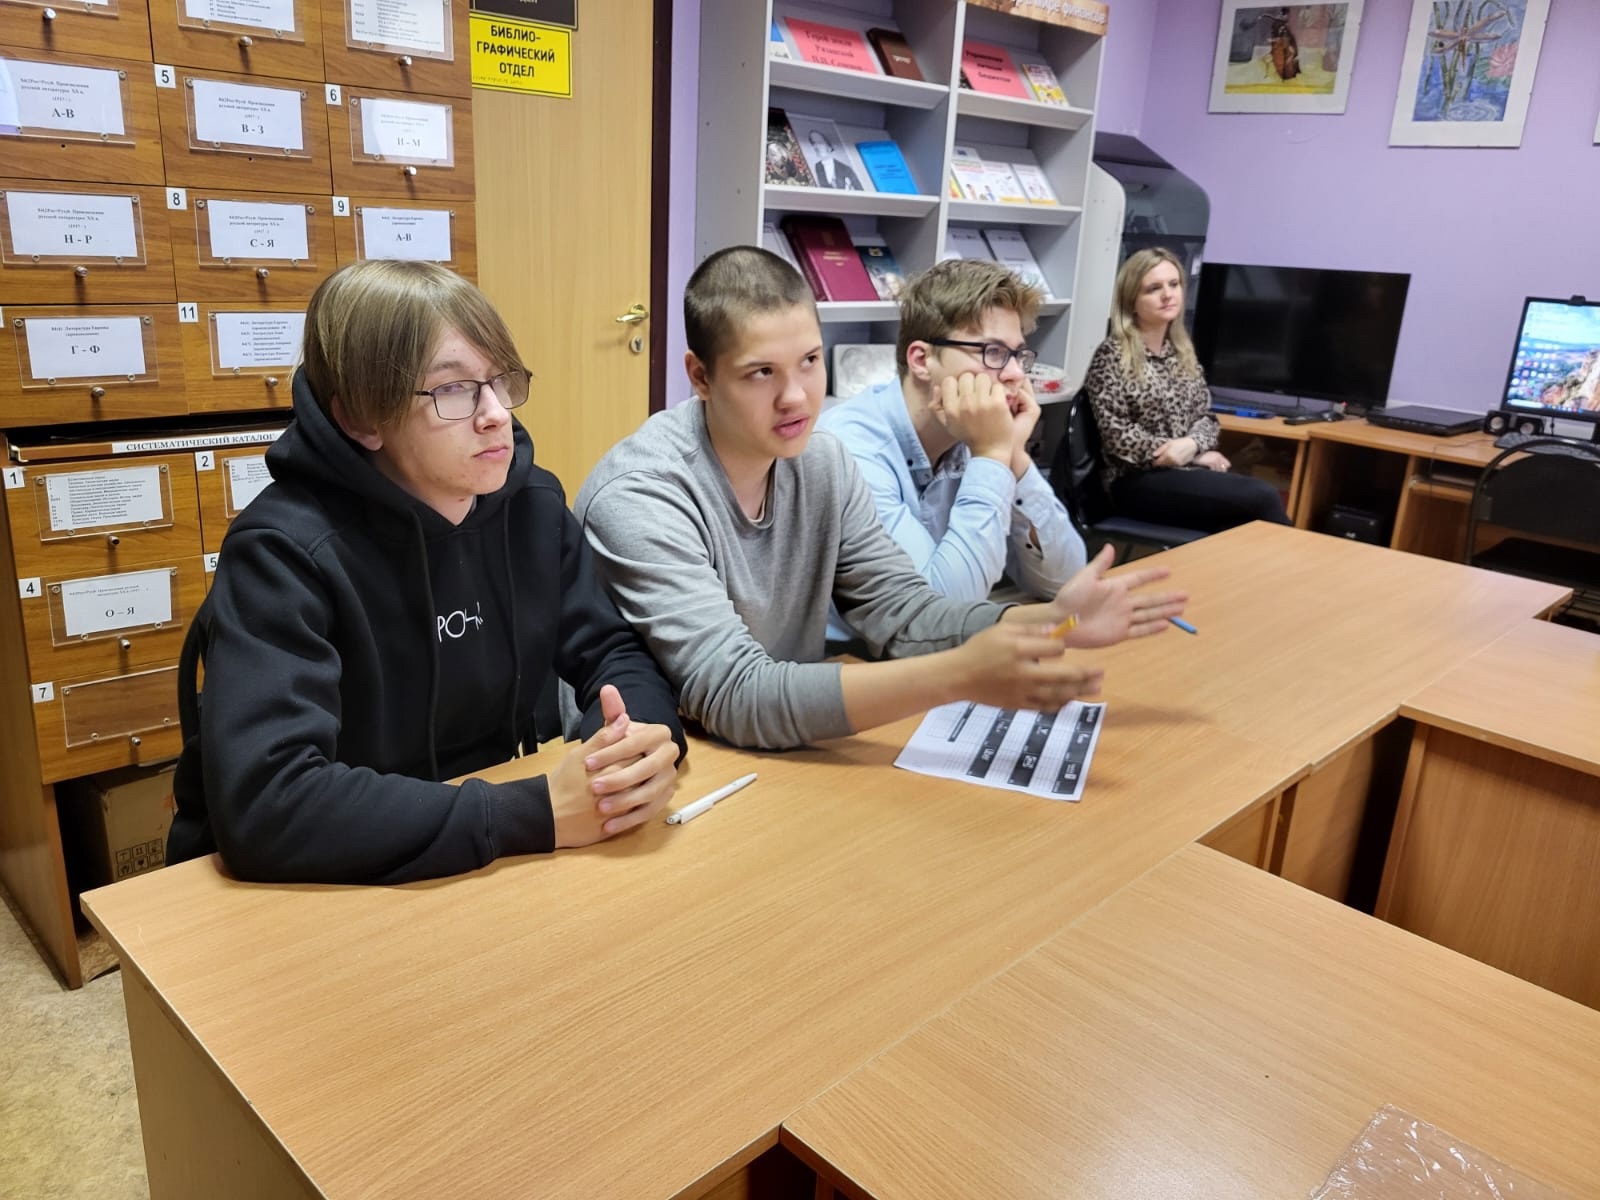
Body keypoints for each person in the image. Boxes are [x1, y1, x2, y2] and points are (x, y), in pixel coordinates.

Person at [168, 261, 684, 885]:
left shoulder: (532, 505)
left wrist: (634, 747)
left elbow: (612, 651)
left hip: (473, 857)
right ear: (361, 418)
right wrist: (534, 811)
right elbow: (269, 804)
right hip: (315, 882)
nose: (496, 414)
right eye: (454, 390)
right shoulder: (281, 553)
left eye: (499, 379)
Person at [574, 246, 1186, 752]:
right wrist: (959, 674)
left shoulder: (820, 460)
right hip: (665, 766)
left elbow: (905, 613)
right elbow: (736, 694)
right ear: (700, 376)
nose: (797, 397)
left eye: (809, 361)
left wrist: (1049, 622)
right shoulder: (642, 495)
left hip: (777, 746)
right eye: (762, 373)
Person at [817, 259, 1086, 644]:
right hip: (852, 663)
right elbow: (938, 620)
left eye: (1018, 355)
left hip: (932, 660)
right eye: (993, 352)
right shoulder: (849, 448)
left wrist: (1013, 457)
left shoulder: (975, 434)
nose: (1016, 374)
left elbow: (1066, 582)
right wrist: (992, 456)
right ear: (922, 360)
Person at [1083, 248, 1290, 531]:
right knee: (1262, 496)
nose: (1167, 294)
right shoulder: (1112, 355)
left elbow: (1206, 417)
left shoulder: (1180, 351)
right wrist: (1189, 454)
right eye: (1154, 288)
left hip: (1182, 471)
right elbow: (1118, 438)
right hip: (1132, 481)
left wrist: (1192, 446)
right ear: (1132, 300)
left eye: (1174, 284)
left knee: (1245, 518)